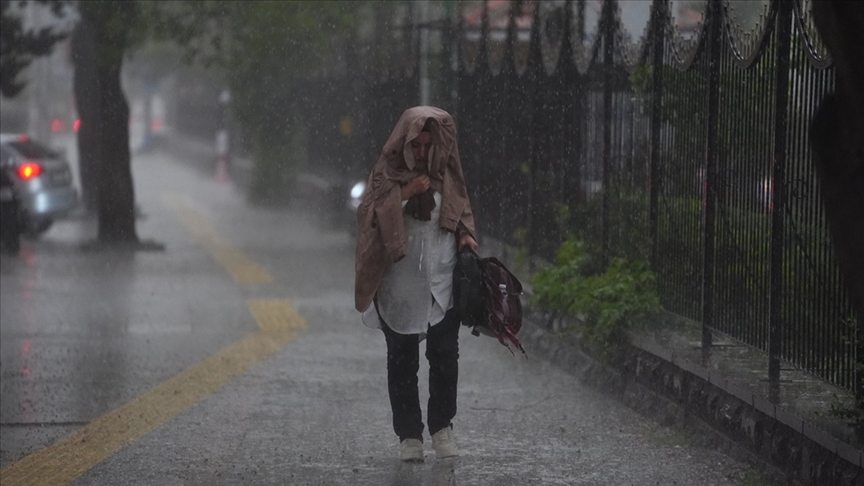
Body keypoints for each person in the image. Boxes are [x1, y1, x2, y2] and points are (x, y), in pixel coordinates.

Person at [355, 106, 478, 462]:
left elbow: (462, 209)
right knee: (402, 360)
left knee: (444, 357)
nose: (423, 152)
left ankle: (442, 428)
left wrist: (467, 238)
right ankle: (409, 435)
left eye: (429, 144)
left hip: (441, 281)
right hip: (399, 284)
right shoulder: (387, 173)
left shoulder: (447, 173)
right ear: (404, 144)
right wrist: (406, 192)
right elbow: (368, 215)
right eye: (417, 145)